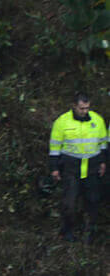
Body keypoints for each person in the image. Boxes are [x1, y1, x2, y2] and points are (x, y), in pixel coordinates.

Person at [49, 91, 108, 241]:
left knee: (93, 201)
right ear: (74, 106)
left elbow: (103, 144)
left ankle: (90, 233)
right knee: (69, 202)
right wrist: (54, 168)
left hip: (92, 167)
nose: (85, 111)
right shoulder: (62, 122)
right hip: (71, 168)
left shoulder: (97, 120)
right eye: (82, 108)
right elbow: (55, 147)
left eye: (87, 108)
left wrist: (102, 162)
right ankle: (67, 231)